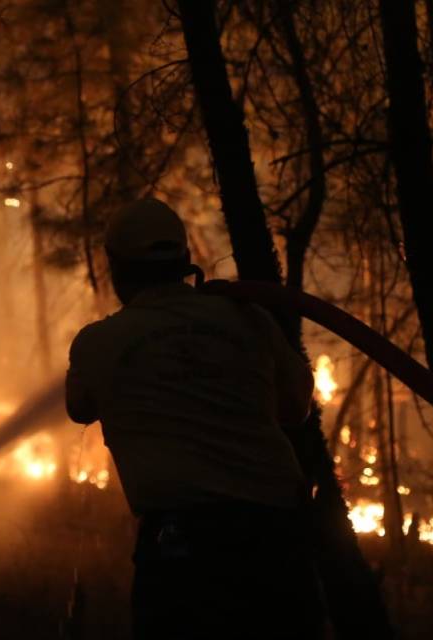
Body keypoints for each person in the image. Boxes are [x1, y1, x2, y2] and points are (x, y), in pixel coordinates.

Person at [65, 198, 322, 639]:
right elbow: (296, 408)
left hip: (182, 552)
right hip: (277, 542)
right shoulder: (250, 319)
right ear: (186, 260)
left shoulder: (99, 343)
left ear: (116, 268)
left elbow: (80, 407)